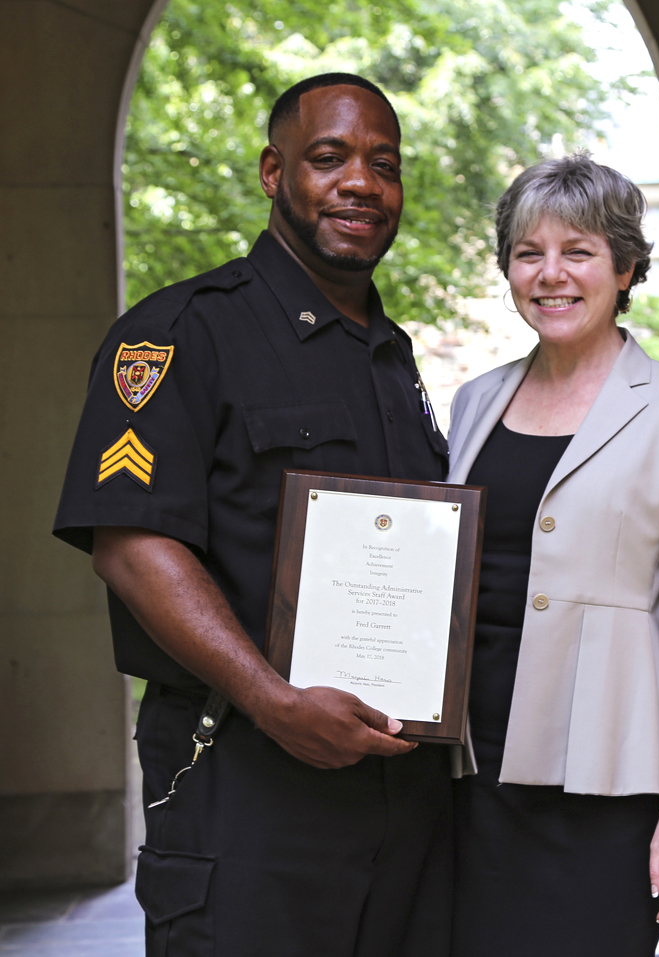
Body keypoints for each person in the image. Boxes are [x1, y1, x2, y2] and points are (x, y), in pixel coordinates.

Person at [53, 73, 452, 957]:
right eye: (329, 157)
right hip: (244, 795)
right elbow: (131, 544)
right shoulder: (178, 334)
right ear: (274, 172)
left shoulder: (392, 359)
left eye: (384, 164)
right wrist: (273, 701)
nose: (361, 182)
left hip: (404, 819)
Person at [447, 153, 659, 957]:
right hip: (471, 774)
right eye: (527, 252)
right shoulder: (475, 400)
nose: (550, 274)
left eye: (577, 251)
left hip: (610, 782)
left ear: (625, 266)